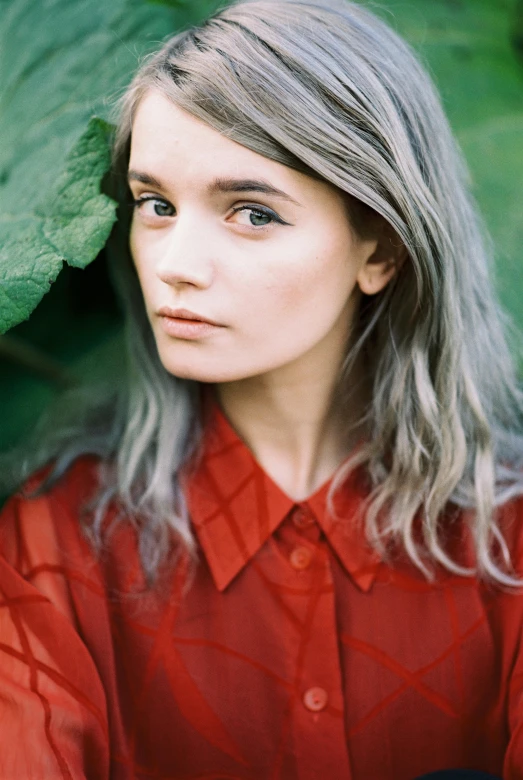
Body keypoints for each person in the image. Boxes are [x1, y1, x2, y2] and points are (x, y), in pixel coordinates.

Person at [1, 0, 523, 777]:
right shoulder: (58, 544)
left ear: (378, 250)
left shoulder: (505, 541)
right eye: (156, 205)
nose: (176, 261)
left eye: (250, 212)